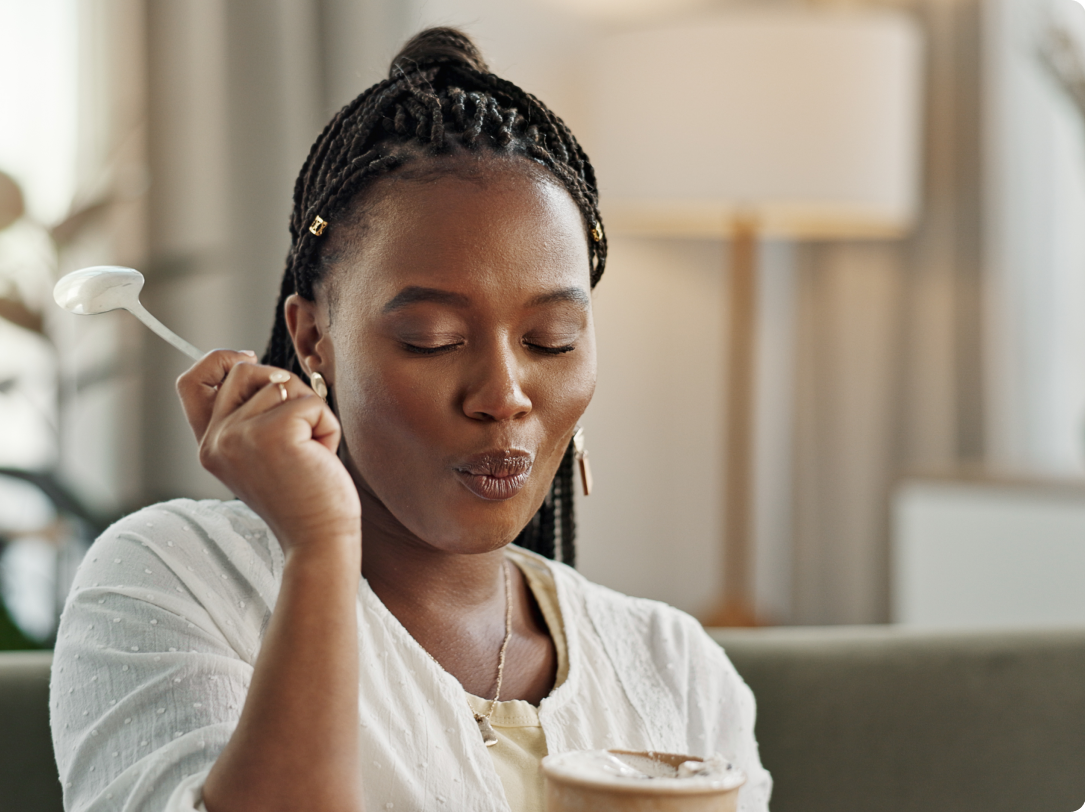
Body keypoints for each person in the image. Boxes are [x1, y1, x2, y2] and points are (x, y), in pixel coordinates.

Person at [50, 27, 772, 812]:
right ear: (310, 338)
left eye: (549, 340)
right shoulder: (175, 581)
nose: (504, 393)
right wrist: (322, 546)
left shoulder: (674, 669)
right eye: (433, 340)